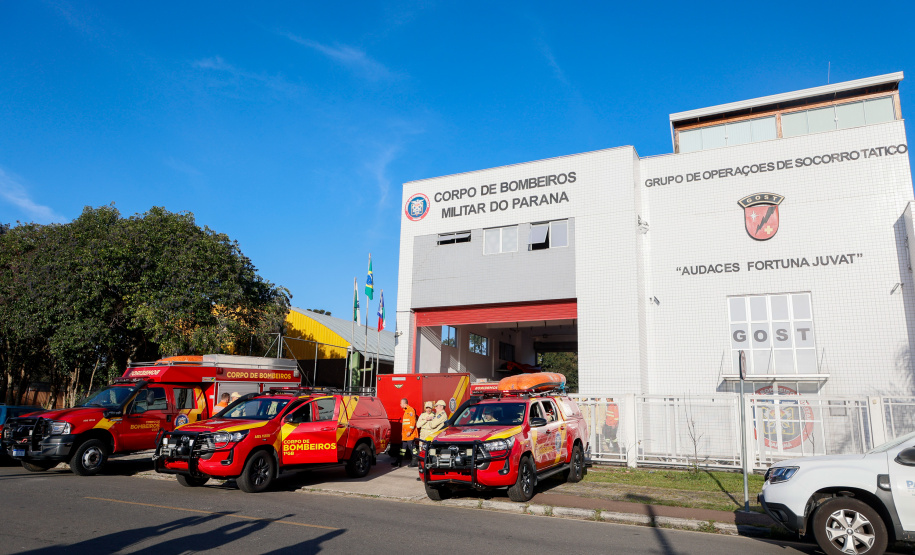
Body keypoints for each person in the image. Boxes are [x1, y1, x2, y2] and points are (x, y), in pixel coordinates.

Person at [393, 398, 418, 467]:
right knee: (402, 449)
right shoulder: (406, 411)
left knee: (412, 448)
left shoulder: (410, 411)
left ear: (404, 403)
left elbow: (412, 422)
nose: (400, 405)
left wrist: (410, 431)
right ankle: (398, 461)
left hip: (409, 434)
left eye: (401, 403)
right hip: (405, 435)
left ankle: (415, 461)